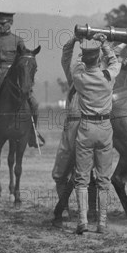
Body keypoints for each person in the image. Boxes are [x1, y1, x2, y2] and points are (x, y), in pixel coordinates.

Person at [72, 32, 120, 234]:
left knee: (82, 177)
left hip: (85, 127)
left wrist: (79, 46)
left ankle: (82, 220)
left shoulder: (79, 77)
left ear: (84, 59)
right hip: (105, 128)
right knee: (103, 178)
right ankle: (102, 223)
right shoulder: (108, 76)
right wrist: (104, 44)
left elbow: (76, 65)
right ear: (99, 58)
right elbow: (114, 61)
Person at [0, 11, 42, 148]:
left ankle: (34, 134)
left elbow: (25, 58)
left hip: (13, 79)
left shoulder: (18, 40)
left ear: (10, 23)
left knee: (34, 103)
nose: (0, 26)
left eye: (3, 23)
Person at [51, 36, 82, 228]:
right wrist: (74, 39)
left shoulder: (100, 76)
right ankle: (65, 210)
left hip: (85, 127)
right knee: (60, 174)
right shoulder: (75, 77)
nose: (81, 60)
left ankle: (88, 212)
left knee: (85, 175)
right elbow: (65, 57)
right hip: (70, 127)